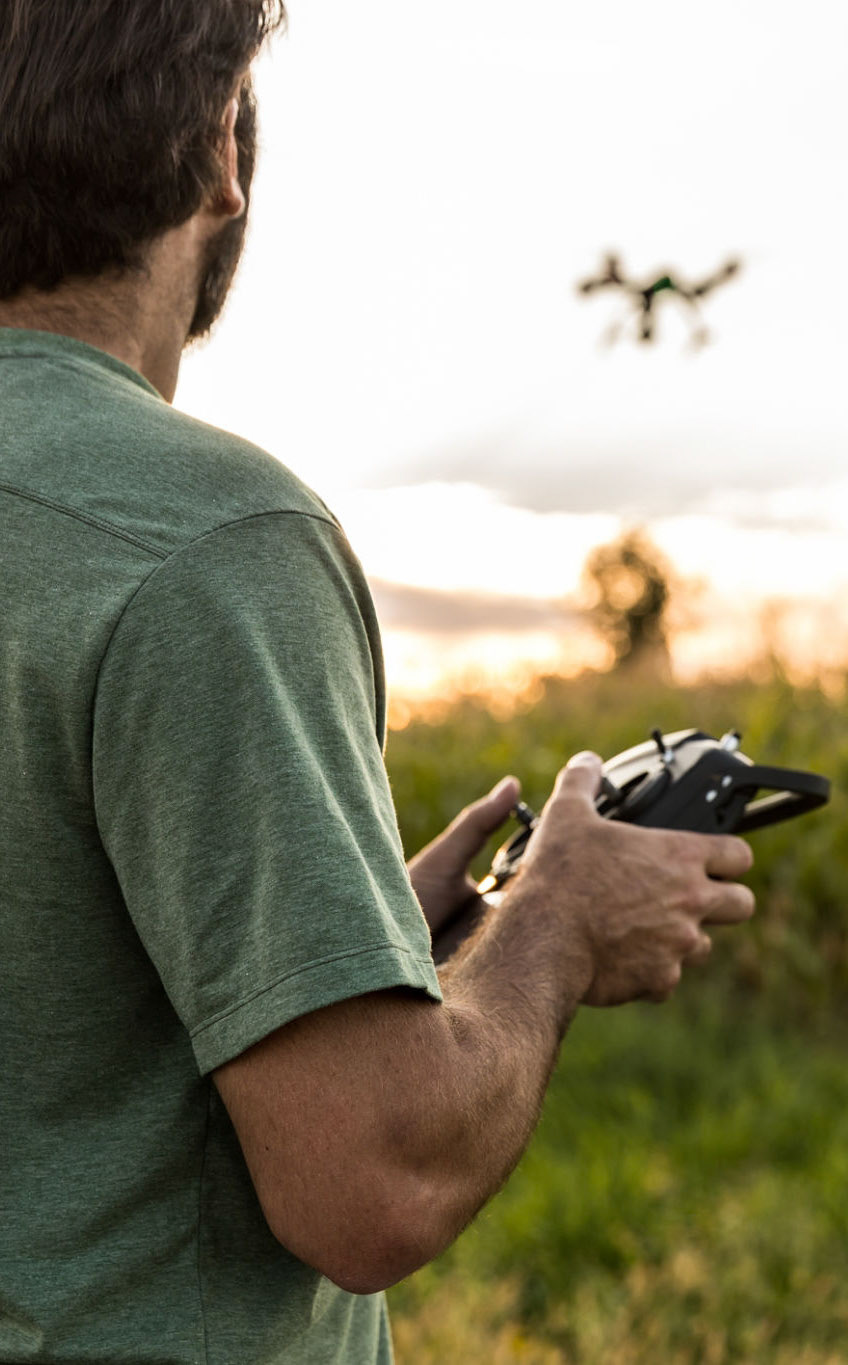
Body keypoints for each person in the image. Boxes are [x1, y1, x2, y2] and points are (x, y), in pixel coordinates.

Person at [0, 3, 755, 1361]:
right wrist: (559, 922)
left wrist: (354, 947)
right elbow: (372, 1176)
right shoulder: (204, 541)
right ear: (220, 141)